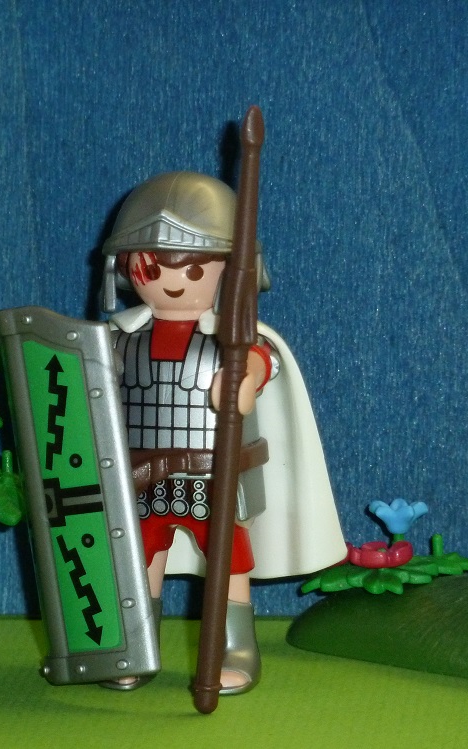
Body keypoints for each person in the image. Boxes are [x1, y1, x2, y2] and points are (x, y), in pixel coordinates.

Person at [100, 171, 346, 695]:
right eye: (153, 267)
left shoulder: (234, 340)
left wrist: (244, 375)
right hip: (139, 474)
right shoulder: (118, 339)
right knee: (138, 559)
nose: (172, 282)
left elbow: (261, 362)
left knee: (228, 561)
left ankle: (235, 647)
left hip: (212, 476)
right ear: (124, 266)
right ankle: (134, 645)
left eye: (193, 267)